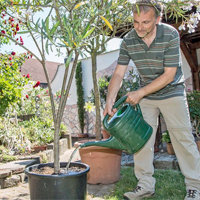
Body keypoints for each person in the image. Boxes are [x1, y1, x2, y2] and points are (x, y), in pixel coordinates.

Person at [103, 0, 200, 199]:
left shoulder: (170, 35)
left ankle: (195, 186)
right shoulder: (129, 40)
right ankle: (145, 185)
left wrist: (139, 93)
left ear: (158, 19)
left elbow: (169, 75)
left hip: (171, 92)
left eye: (145, 22)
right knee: (141, 141)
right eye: (136, 21)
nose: (139, 27)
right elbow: (119, 74)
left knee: (183, 139)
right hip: (146, 95)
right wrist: (110, 100)